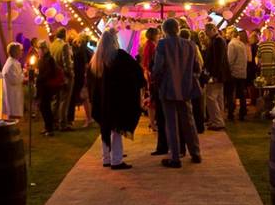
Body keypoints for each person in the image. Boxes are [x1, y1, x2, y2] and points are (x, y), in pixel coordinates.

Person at [89, 28, 144, 170]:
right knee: (116, 129)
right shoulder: (120, 56)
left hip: (102, 100)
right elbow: (136, 71)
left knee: (105, 127)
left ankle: (106, 157)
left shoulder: (96, 60)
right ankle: (116, 160)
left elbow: (91, 83)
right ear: (114, 41)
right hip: (117, 99)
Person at [152, 18, 202, 168]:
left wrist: (156, 80)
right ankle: (196, 153)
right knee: (189, 121)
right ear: (178, 29)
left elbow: (158, 68)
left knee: (171, 123)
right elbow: (197, 68)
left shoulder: (162, 44)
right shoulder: (190, 44)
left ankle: (175, 157)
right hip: (186, 87)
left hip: (168, 87)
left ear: (164, 30)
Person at [203, 22, 229, 130]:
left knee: (211, 97)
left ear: (213, 29)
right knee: (218, 98)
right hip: (219, 73)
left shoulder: (218, 41)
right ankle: (217, 119)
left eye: (207, 31)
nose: (206, 33)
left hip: (217, 74)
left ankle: (217, 121)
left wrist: (214, 75)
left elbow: (218, 60)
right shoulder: (217, 40)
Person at [180, 28, 206, 133]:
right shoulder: (193, 46)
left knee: (186, 104)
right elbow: (200, 62)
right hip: (193, 77)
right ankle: (199, 126)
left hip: (184, 79)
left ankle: (188, 126)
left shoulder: (180, 48)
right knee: (196, 103)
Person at [49, 28, 74, 131]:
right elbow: (66, 63)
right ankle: (62, 124)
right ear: (64, 35)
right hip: (64, 77)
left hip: (54, 76)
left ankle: (54, 122)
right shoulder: (64, 45)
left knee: (56, 100)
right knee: (64, 100)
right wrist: (71, 74)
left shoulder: (52, 45)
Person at [35, 40, 62, 136]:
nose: (39, 50)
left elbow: (50, 73)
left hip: (47, 87)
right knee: (44, 107)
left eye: (40, 48)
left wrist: (39, 77)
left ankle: (49, 128)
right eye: (39, 48)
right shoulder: (42, 59)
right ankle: (47, 127)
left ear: (45, 49)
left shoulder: (49, 59)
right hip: (43, 86)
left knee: (45, 107)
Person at [68, 33, 93, 128]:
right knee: (86, 98)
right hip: (84, 76)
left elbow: (86, 65)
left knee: (84, 97)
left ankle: (89, 119)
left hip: (81, 76)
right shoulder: (88, 50)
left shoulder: (82, 49)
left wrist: (85, 77)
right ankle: (90, 117)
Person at [226, 28, 249, 121]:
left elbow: (230, 60)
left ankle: (231, 113)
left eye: (227, 32)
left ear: (231, 34)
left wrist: (228, 70)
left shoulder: (232, 44)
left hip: (234, 72)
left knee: (231, 94)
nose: (226, 34)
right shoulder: (242, 44)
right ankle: (242, 112)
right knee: (242, 93)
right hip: (242, 71)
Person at [1, 42, 25, 120]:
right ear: (15, 52)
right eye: (20, 50)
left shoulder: (14, 62)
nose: (22, 52)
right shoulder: (11, 64)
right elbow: (15, 80)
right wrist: (24, 74)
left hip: (14, 93)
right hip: (12, 95)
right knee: (13, 115)